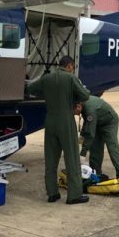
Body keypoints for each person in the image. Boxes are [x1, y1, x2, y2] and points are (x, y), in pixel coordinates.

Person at [27, 56, 90, 205]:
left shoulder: (47, 78)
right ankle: (74, 195)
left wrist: (48, 95)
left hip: (50, 120)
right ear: (69, 66)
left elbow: (31, 89)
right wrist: (73, 99)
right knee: (72, 158)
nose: (72, 70)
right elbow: (85, 95)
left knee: (50, 159)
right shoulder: (70, 78)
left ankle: (52, 193)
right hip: (65, 120)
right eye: (72, 67)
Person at [75, 95, 119, 181]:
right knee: (95, 150)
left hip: (109, 122)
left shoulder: (90, 110)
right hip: (97, 123)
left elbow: (90, 134)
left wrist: (82, 154)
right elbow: (87, 124)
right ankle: (96, 175)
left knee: (112, 149)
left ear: (78, 106)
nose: (74, 114)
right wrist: (81, 139)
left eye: (74, 111)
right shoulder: (82, 104)